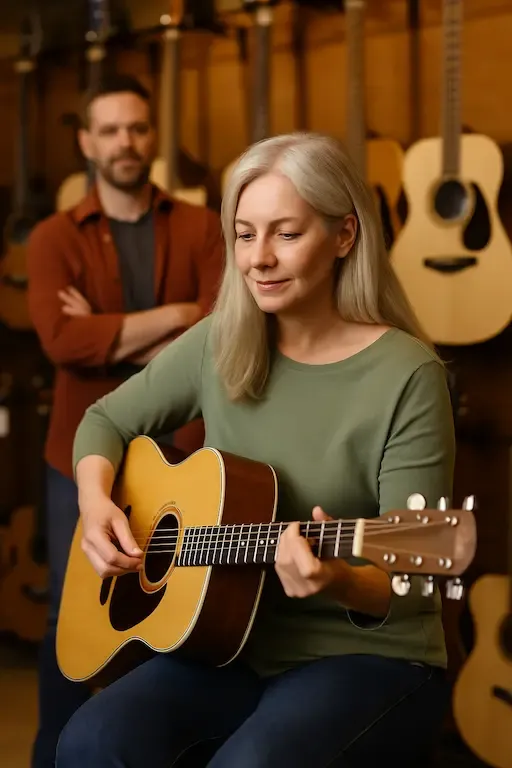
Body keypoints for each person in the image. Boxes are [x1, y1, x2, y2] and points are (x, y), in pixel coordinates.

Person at [56, 132, 455, 767]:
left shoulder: (407, 376)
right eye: (244, 234)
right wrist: (95, 497)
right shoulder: (223, 339)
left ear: (345, 235)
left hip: (366, 658)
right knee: (89, 739)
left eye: (286, 234)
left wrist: (338, 579)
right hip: (230, 646)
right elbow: (103, 419)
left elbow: (410, 584)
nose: (258, 259)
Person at [26, 73, 224, 768]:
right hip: (84, 454)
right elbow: (61, 342)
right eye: (109, 130)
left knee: (174, 603)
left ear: (153, 134)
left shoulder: (203, 225)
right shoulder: (54, 237)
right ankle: (56, 753)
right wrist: (175, 321)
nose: (125, 143)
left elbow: (221, 332)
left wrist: (113, 333)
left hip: (186, 449)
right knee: (70, 611)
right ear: (86, 141)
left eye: (137, 128)